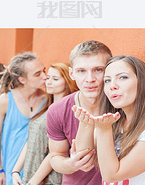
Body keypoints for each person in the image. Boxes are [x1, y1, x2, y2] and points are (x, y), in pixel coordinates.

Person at [73, 55, 145, 185]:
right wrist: (86, 123)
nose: (112, 86)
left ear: (142, 82)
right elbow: (83, 157)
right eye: (107, 80)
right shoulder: (115, 122)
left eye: (123, 77)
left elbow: (111, 175)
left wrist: (103, 129)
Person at [46, 40, 112, 185]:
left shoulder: (122, 106)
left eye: (98, 70)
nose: (90, 79)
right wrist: (70, 164)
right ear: (72, 74)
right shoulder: (57, 110)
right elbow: (56, 155)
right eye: (81, 71)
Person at [11, 63, 79, 185]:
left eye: (55, 79)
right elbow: (31, 140)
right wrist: (15, 171)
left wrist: (34, 181)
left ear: (68, 81)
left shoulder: (69, 110)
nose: (49, 82)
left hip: (48, 179)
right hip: (30, 175)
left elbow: (55, 151)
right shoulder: (47, 107)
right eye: (48, 78)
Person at [0, 52, 47, 185]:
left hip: (40, 172)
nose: (45, 76)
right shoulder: (2, 101)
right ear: (22, 79)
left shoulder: (48, 99)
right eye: (38, 74)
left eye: (44, 71)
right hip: (12, 170)